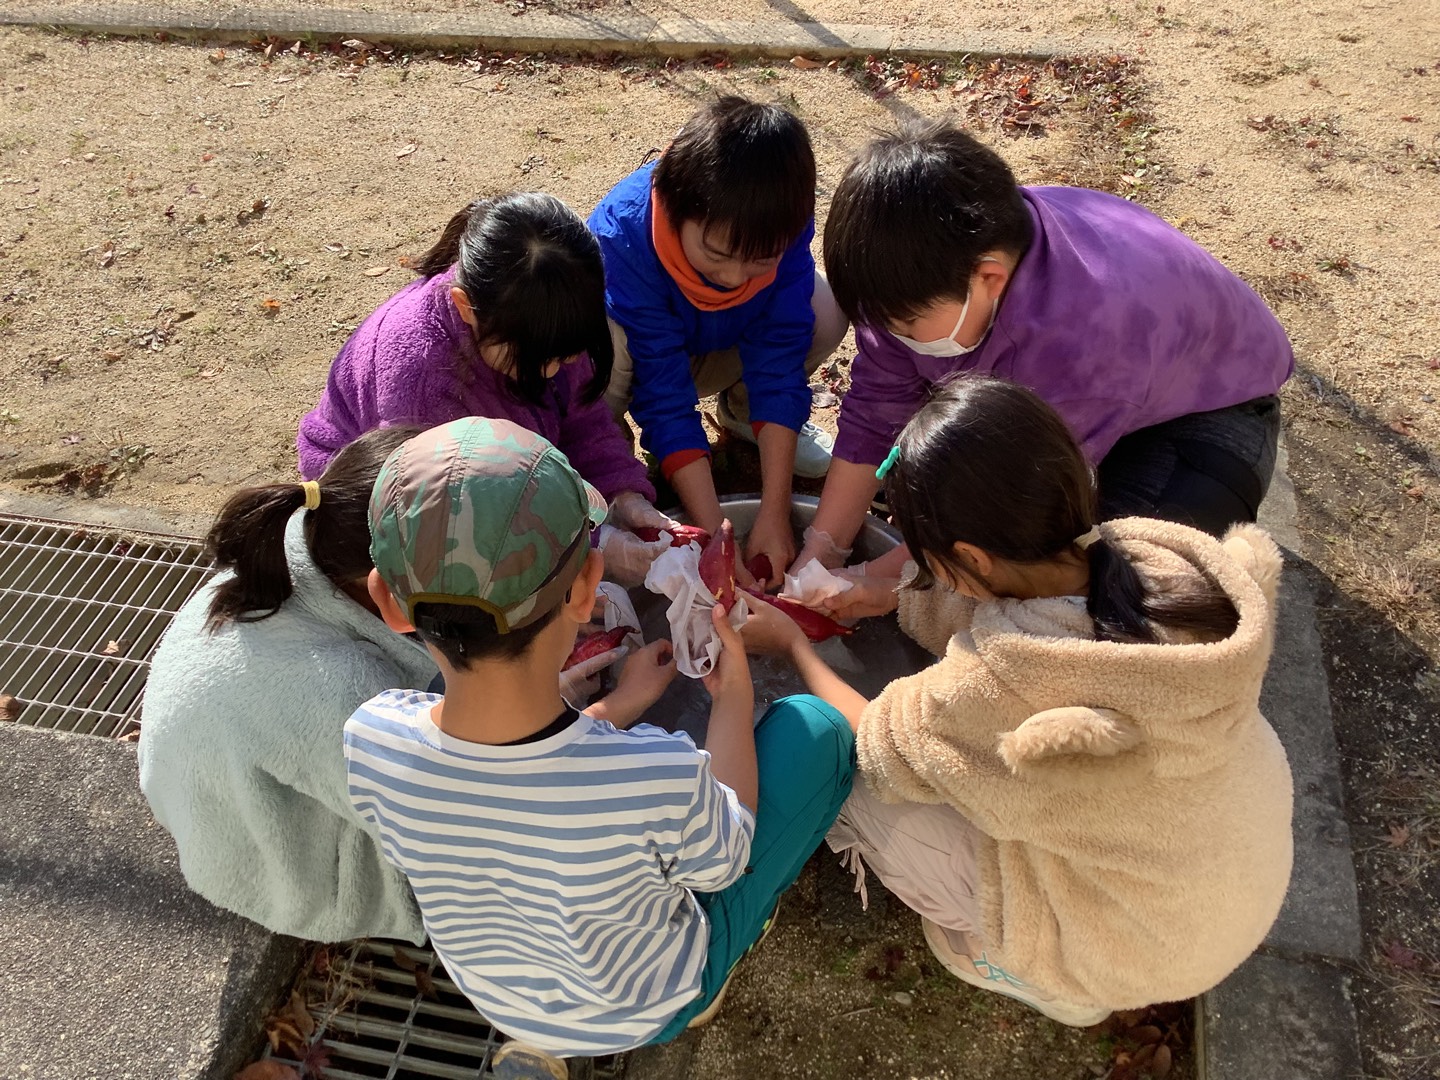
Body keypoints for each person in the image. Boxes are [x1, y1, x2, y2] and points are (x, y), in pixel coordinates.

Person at [740, 376, 1294, 1026]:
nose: (923, 571)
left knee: (850, 783)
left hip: (1137, 945)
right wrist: (889, 595)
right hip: (1236, 872)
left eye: (928, 560)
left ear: (971, 557)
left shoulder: (1011, 679)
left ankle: (1058, 983)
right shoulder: (1150, 561)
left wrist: (792, 645)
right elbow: (1025, 601)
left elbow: (879, 743)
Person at [344, 417, 855, 1073]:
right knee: (819, 731)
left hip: (502, 996)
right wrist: (733, 694)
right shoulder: (653, 775)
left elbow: (514, 796)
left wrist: (619, 705)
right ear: (590, 586)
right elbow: (728, 856)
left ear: (388, 603)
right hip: (651, 1000)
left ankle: (542, 1041)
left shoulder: (373, 738)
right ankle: (703, 994)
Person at [138, 426, 628, 943]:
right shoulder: (345, 696)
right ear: (390, 595)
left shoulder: (309, 540)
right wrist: (602, 710)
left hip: (236, 796)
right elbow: (480, 827)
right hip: (285, 869)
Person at [796, 119, 1294, 588]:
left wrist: (884, 582)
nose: (890, 335)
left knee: (1116, 588)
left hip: (1206, 417)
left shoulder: (1082, 340)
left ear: (989, 278)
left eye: (904, 325)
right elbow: (874, 414)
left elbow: (1015, 500)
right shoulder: (921, 270)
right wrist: (822, 553)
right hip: (1099, 394)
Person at [297, 191, 673, 552]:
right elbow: (453, 524)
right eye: (535, 359)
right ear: (465, 307)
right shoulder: (421, 382)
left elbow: (584, 423)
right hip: (382, 508)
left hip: (498, 476)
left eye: (563, 358)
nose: (551, 372)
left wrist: (623, 495)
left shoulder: (548, 318)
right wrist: (590, 547)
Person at [589, 96, 850, 588]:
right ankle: (602, 454)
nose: (732, 278)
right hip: (641, 359)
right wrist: (716, 538)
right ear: (674, 205)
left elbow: (780, 353)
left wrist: (773, 511)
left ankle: (744, 417)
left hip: (720, 345)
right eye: (716, 254)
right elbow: (663, 393)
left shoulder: (781, 218)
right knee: (602, 341)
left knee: (825, 308)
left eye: (759, 262)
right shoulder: (623, 235)